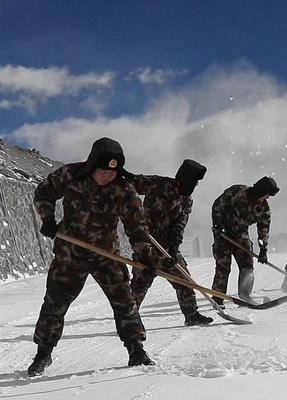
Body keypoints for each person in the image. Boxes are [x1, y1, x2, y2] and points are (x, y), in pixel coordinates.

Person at [28, 137, 163, 376]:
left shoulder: (124, 189)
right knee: (55, 303)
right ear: (92, 165)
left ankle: (135, 349)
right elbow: (43, 193)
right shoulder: (70, 175)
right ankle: (43, 353)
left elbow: (137, 227)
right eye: (102, 170)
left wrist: (146, 256)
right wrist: (48, 218)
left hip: (106, 254)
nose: (107, 176)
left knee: (124, 300)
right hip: (70, 253)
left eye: (113, 171)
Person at [126, 160, 213, 326]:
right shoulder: (159, 184)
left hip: (166, 247)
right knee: (139, 285)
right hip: (146, 244)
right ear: (184, 178)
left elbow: (180, 226)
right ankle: (128, 322)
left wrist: (174, 247)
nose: (194, 185)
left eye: (196, 183)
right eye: (193, 181)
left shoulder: (187, 201)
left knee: (184, 280)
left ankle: (192, 315)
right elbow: (135, 182)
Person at [210, 176, 279, 304]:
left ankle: (245, 295)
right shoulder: (237, 191)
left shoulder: (263, 208)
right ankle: (218, 297)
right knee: (223, 267)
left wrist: (263, 249)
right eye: (267, 195)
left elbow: (264, 227)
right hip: (223, 233)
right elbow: (217, 206)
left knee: (247, 265)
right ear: (261, 191)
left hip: (241, 235)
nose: (267, 198)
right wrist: (217, 225)